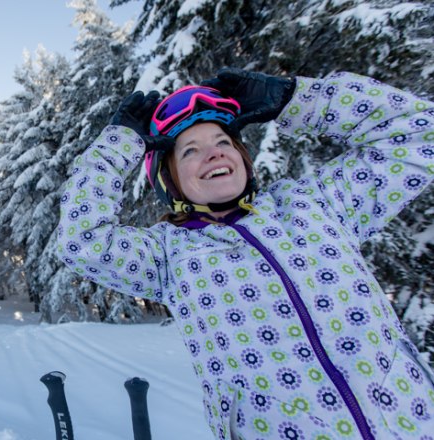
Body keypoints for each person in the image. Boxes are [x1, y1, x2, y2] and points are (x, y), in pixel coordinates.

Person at [56, 69, 434, 440]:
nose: (213, 154)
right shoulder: (167, 256)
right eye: (190, 150)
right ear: (169, 181)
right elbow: (81, 240)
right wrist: (119, 148)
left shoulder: (317, 205)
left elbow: (421, 130)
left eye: (223, 141)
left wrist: (296, 100)